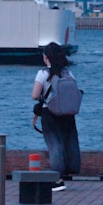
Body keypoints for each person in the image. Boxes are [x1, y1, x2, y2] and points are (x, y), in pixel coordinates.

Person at [31, 42, 81, 191]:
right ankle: (69, 170)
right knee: (68, 142)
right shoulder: (68, 73)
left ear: (46, 57)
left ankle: (56, 180)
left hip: (50, 113)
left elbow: (34, 95)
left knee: (54, 145)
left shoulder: (43, 73)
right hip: (68, 114)